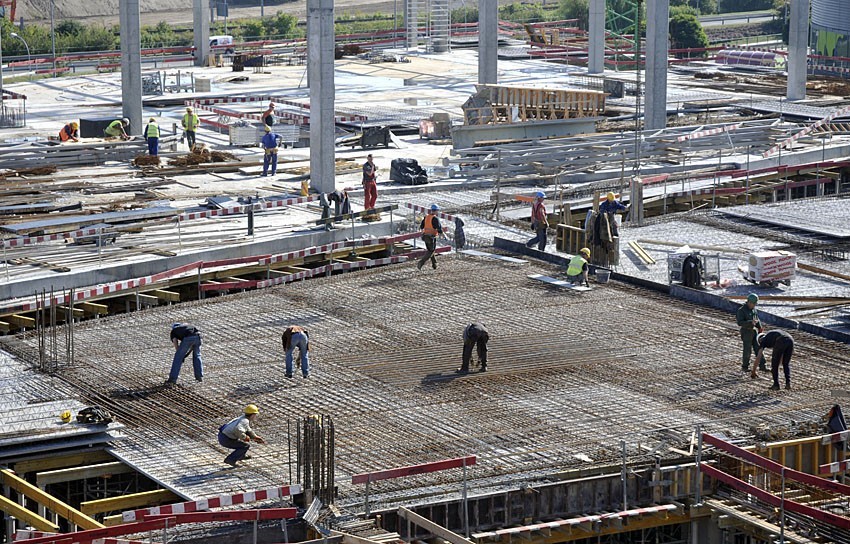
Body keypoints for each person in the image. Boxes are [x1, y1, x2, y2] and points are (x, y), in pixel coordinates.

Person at [736, 293, 767, 374]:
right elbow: (740, 322)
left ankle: (762, 365)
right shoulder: (741, 310)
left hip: (754, 331)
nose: (754, 305)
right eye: (753, 304)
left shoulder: (753, 309)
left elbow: (757, 319)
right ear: (749, 302)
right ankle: (745, 367)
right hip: (746, 332)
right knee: (747, 350)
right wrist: (750, 322)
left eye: (755, 304)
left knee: (759, 348)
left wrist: (760, 327)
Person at [418, 204, 445, 271]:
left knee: (430, 250)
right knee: (431, 251)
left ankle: (434, 264)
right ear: (436, 211)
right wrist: (443, 234)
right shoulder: (435, 218)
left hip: (425, 236)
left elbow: (421, 226)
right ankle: (421, 263)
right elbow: (439, 228)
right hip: (432, 237)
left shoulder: (426, 217)